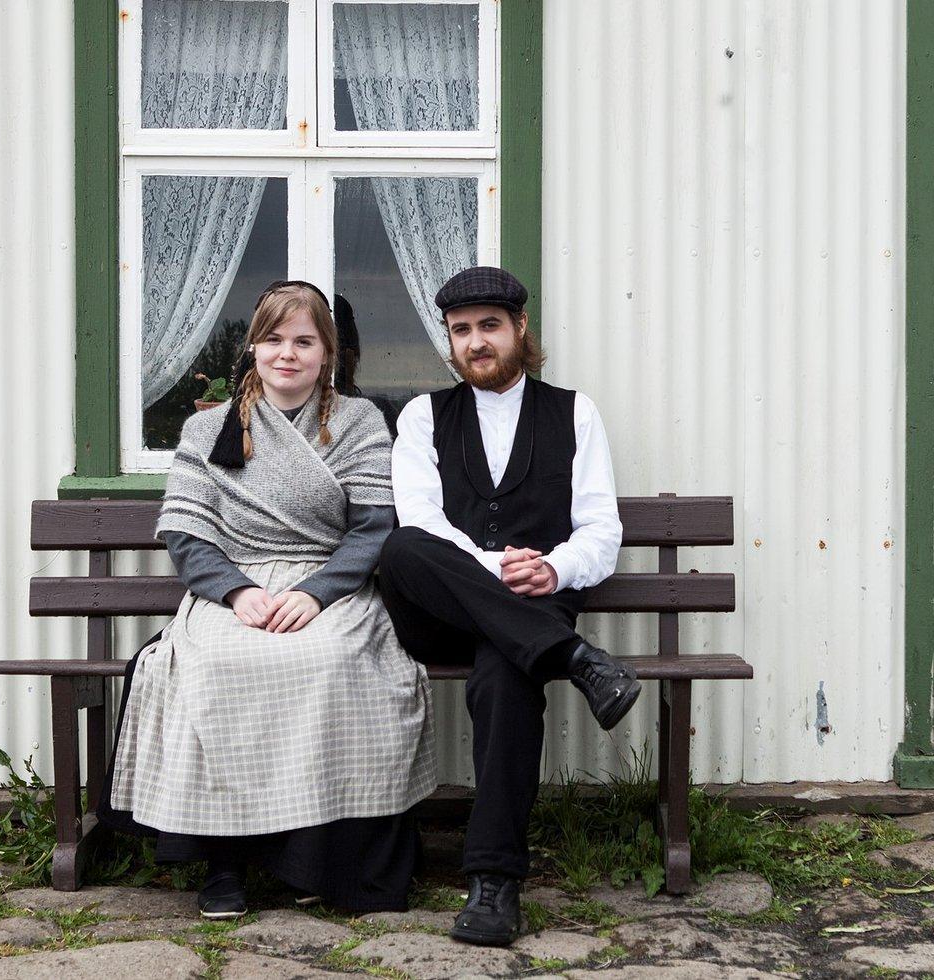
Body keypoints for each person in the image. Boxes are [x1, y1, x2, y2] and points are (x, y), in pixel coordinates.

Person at [104, 280, 436, 919]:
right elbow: (187, 530)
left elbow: (373, 526)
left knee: (332, 666)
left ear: (327, 353)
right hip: (236, 587)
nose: (289, 353)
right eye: (274, 339)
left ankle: (313, 859)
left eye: (304, 341)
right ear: (253, 347)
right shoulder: (208, 428)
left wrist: (316, 594)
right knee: (213, 667)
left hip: (330, 583)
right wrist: (236, 591)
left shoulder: (358, 422)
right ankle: (223, 863)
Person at [378, 265, 634, 948]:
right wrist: (500, 570)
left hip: (531, 610)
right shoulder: (422, 417)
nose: (475, 342)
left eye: (489, 326)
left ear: (520, 328)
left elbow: (601, 531)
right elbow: (424, 525)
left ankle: (495, 885)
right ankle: (576, 660)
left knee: (506, 673)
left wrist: (551, 567)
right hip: (443, 616)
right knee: (402, 548)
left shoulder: (573, 412)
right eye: (461, 331)